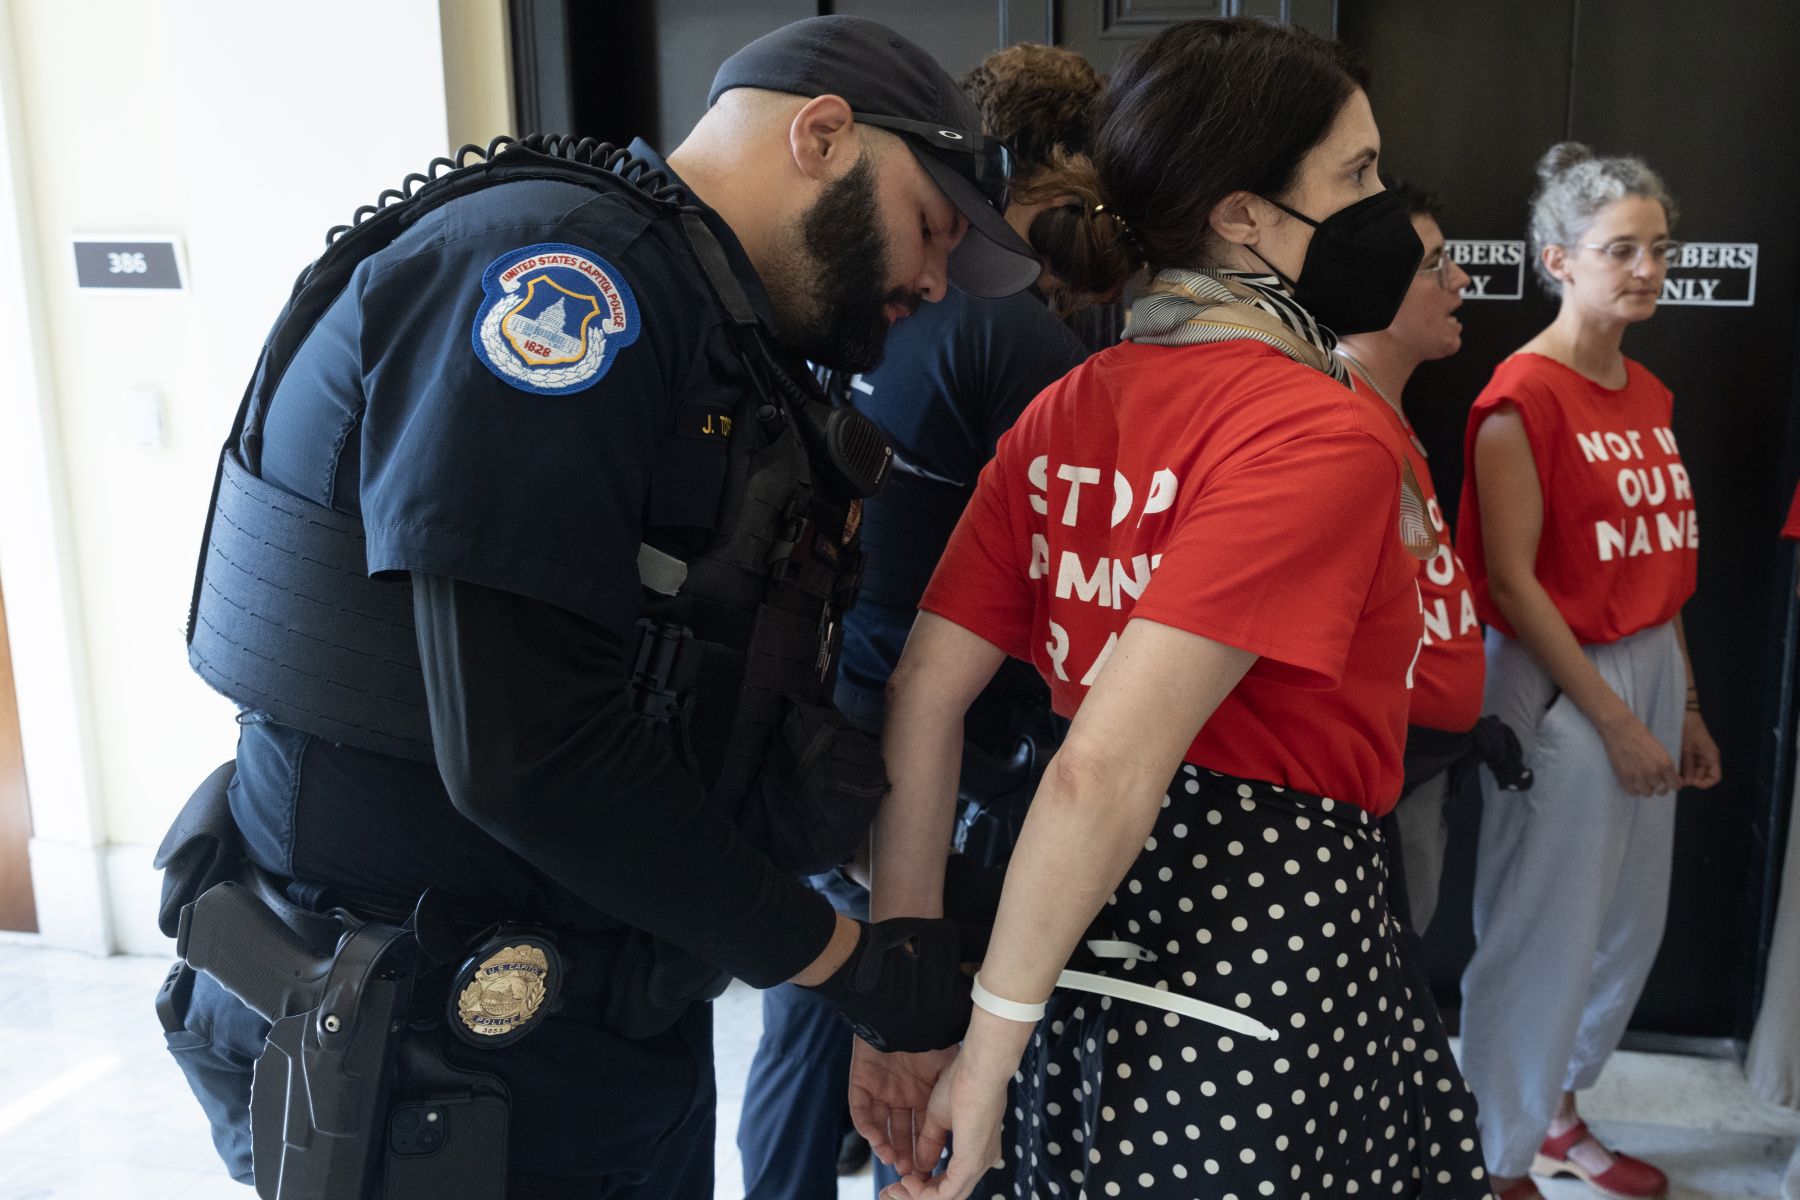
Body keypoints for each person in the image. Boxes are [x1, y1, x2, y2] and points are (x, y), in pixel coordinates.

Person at [154, 16, 1045, 1199]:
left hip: (585, 1016)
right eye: (928, 228)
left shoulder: (704, 314)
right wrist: (844, 965)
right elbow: (529, 746)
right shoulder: (564, 278)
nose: (930, 284)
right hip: (435, 1049)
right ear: (822, 137)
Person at [848, 18, 1492, 1200]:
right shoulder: (1320, 430)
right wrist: (980, 1059)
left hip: (1061, 934)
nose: (1384, 208)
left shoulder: (1071, 407)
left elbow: (924, 699)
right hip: (1266, 937)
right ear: (1243, 213)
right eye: (1355, 176)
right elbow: (1106, 763)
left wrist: (917, 996)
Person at [737, 43, 1102, 1200]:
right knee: (921, 994)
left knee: (820, 996)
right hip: (945, 698)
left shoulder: (851, 302)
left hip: (835, 671)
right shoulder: (1024, 341)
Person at [1454, 142, 1722, 1200]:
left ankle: (1557, 1113)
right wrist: (1614, 719)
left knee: (1625, 926)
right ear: (1558, 259)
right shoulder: (1522, 396)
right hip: (1562, 680)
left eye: (1658, 248)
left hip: (1650, 659)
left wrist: (1686, 705)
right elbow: (1514, 587)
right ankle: (1494, 1149)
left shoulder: (1648, 391)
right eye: (1622, 250)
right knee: (1538, 930)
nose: (1648, 268)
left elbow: (1659, 569)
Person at [1334, 180, 1491, 934]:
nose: (1460, 281)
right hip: (1386, 773)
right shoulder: (1343, 423)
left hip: (1419, 768)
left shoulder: (1384, 412)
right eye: (1435, 265)